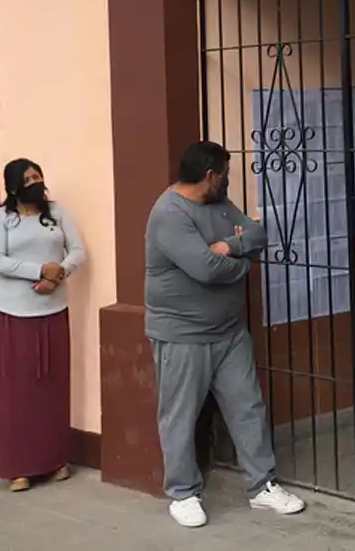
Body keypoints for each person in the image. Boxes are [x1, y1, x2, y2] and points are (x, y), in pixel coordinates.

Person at [146, 140, 304, 527]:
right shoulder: (169, 213)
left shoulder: (219, 203)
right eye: (226, 174)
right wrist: (243, 265)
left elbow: (258, 234)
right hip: (182, 334)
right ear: (210, 175)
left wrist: (229, 246)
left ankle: (261, 486)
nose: (229, 181)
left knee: (247, 406)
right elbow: (206, 269)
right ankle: (182, 493)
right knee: (179, 416)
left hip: (229, 332)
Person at [0, 159, 84, 492]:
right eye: (27, 179)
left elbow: (78, 251)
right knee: (17, 394)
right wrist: (40, 270)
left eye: (38, 176)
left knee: (51, 389)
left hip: (53, 311)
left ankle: (55, 461)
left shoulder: (56, 212)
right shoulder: (0, 219)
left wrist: (58, 275)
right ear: (13, 187)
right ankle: (19, 468)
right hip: (14, 315)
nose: (35, 182)